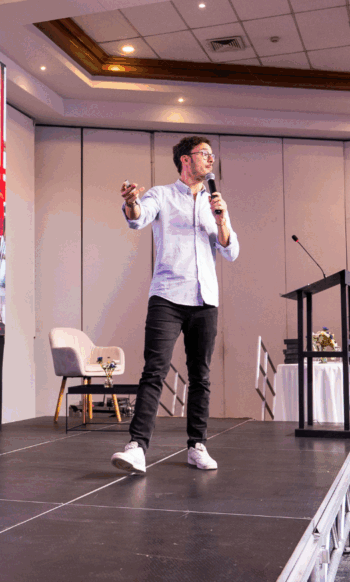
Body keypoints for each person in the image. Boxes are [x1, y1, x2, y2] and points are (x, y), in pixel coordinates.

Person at [110, 136, 239, 474]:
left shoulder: (215, 203)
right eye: (204, 154)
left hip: (205, 299)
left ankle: (197, 445)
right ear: (185, 160)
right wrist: (131, 202)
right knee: (154, 370)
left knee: (201, 376)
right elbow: (138, 217)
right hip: (168, 295)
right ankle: (137, 447)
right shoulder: (162, 195)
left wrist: (222, 218)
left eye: (213, 155)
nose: (211, 160)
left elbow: (231, 250)